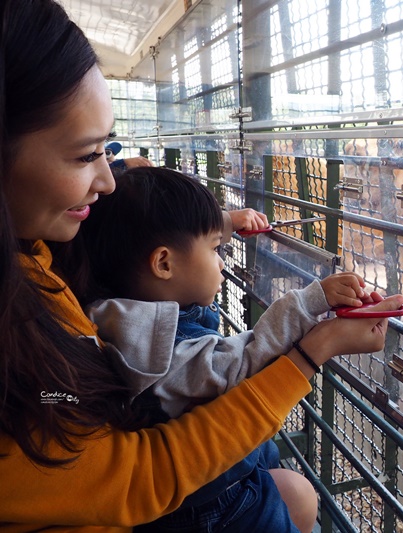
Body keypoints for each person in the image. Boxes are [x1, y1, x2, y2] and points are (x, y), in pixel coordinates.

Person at [0, 1, 403, 531]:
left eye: (109, 151)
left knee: (290, 488)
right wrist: (314, 347)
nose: (108, 180)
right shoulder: (91, 339)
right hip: (173, 499)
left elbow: (127, 210)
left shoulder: (39, 255)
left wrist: (218, 223)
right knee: (289, 495)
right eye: (86, 156)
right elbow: (137, 473)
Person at [80, 166, 372, 532]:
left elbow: (171, 234)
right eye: (216, 248)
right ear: (164, 263)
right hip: (213, 507)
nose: (222, 261)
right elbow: (241, 362)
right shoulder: (161, 352)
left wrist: (226, 223)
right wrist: (310, 302)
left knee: (292, 488)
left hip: (213, 479)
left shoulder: (122, 311)